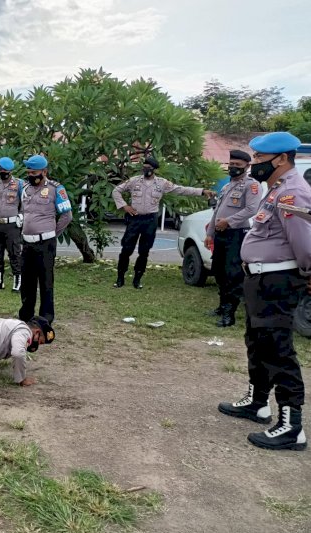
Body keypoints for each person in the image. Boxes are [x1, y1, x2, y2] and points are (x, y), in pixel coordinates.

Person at [218, 131, 311, 451]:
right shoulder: (276, 190)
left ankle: (291, 425)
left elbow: (304, 242)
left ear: (282, 158)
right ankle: (258, 403)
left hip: (277, 282)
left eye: (259, 159)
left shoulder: (292, 193)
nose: (254, 163)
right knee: (257, 342)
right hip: (259, 280)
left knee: (277, 348)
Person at [112, 156, 215, 289]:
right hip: (135, 219)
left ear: (154, 169)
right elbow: (116, 191)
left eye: (149, 168)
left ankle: (137, 279)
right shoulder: (134, 181)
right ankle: (120, 278)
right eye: (144, 167)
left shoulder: (161, 183)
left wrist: (202, 191)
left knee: (144, 251)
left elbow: (181, 189)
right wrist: (124, 206)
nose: (146, 170)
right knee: (126, 249)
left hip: (150, 220)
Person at [204, 150, 262, 327]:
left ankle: (229, 314)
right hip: (221, 235)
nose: (233, 168)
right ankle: (222, 307)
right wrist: (210, 234)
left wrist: (229, 222)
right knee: (219, 271)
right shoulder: (227, 186)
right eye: (231, 164)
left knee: (232, 274)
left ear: (247, 166)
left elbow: (252, 209)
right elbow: (217, 213)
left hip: (237, 234)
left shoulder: (251, 185)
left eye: (238, 165)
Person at [18, 155, 72, 324]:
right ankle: (26, 314)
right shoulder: (25, 188)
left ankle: (46, 317)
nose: (31, 175)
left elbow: (66, 216)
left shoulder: (56, 189)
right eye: (29, 172)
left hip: (45, 243)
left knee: (46, 280)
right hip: (27, 242)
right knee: (27, 281)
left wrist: (52, 233)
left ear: (44, 172)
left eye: (34, 172)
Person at [0, 157, 24, 292]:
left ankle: (17, 282)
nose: (2, 172)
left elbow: (24, 203)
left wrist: (21, 217)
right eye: (1, 169)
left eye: (5, 170)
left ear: (10, 171)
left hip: (12, 224)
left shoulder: (19, 184)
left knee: (14, 253)